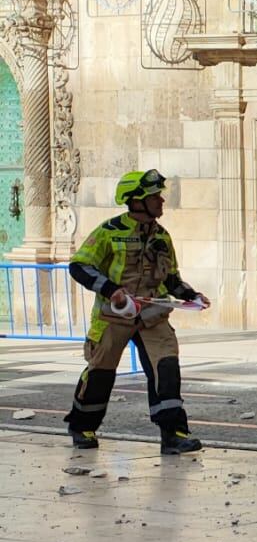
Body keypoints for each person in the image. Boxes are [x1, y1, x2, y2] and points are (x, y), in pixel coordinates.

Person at [64, 169, 207, 455]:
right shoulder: (109, 231)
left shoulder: (162, 237)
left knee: (166, 369)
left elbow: (171, 279)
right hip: (113, 316)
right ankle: (82, 427)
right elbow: (79, 265)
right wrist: (111, 289)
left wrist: (191, 295)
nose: (161, 201)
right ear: (137, 200)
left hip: (153, 315)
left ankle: (173, 435)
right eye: (155, 196)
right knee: (100, 373)